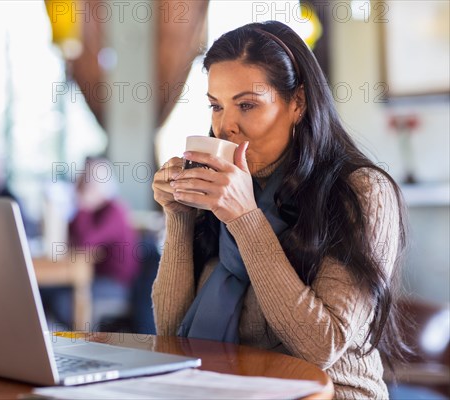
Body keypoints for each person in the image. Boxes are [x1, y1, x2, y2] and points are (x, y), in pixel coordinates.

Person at [151, 21, 409, 399]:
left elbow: (320, 347)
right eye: (216, 106)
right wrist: (179, 215)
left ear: (298, 103)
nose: (225, 128)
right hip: (228, 391)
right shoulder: (220, 191)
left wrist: (246, 220)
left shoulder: (361, 191)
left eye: (247, 105)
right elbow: (174, 340)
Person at [42, 157, 140, 329]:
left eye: (88, 182)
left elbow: (84, 243)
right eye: (82, 180)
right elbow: (68, 238)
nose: (81, 187)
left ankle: (77, 344)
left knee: (63, 302)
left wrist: (82, 205)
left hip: (114, 283)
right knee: (42, 292)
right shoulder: (91, 211)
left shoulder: (114, 211)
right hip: (88, 277)